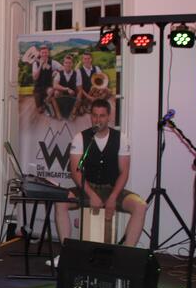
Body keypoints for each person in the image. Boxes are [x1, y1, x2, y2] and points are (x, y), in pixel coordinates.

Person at [55, 99, 146, 247]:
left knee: (140, 206)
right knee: (60, 202)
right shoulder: (80, 138)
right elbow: (76, 171)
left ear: (109, 116)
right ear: (91, 116)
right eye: (95, 115)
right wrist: (91, 195)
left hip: (112, 189)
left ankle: (128, 252)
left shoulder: (121, 138)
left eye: (102, 116)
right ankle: (66, 251)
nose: (98, 120)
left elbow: (124, 172)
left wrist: (113, 197)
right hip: (87, 189)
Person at [32, 45, 62, 116]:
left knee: (53, 91)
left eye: (46, 52)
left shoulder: (53, 62)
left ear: (48, 53)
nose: (44, 54)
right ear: (40, 53)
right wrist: (40, 65)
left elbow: (63, 68)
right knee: (40, 110)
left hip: (48, 87)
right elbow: (35, 78)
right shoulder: (35, 63)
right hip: (38, 88)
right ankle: (44, 103)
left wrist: (57, 71)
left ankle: (47, 101)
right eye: (42, 53)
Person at [51, 54, 81, 120]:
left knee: (79, 101)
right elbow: (55, 85)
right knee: (56, 92)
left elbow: (79, 90)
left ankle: (73, 111)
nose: (68, 64)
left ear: (72, 64)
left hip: (72, 95)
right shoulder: (59, 73)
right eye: (66, 63)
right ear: (63, 64)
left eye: (69, 63)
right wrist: (66, 89)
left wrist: (77, 99)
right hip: (62, 95)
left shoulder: (77, 74)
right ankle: (58, 112)